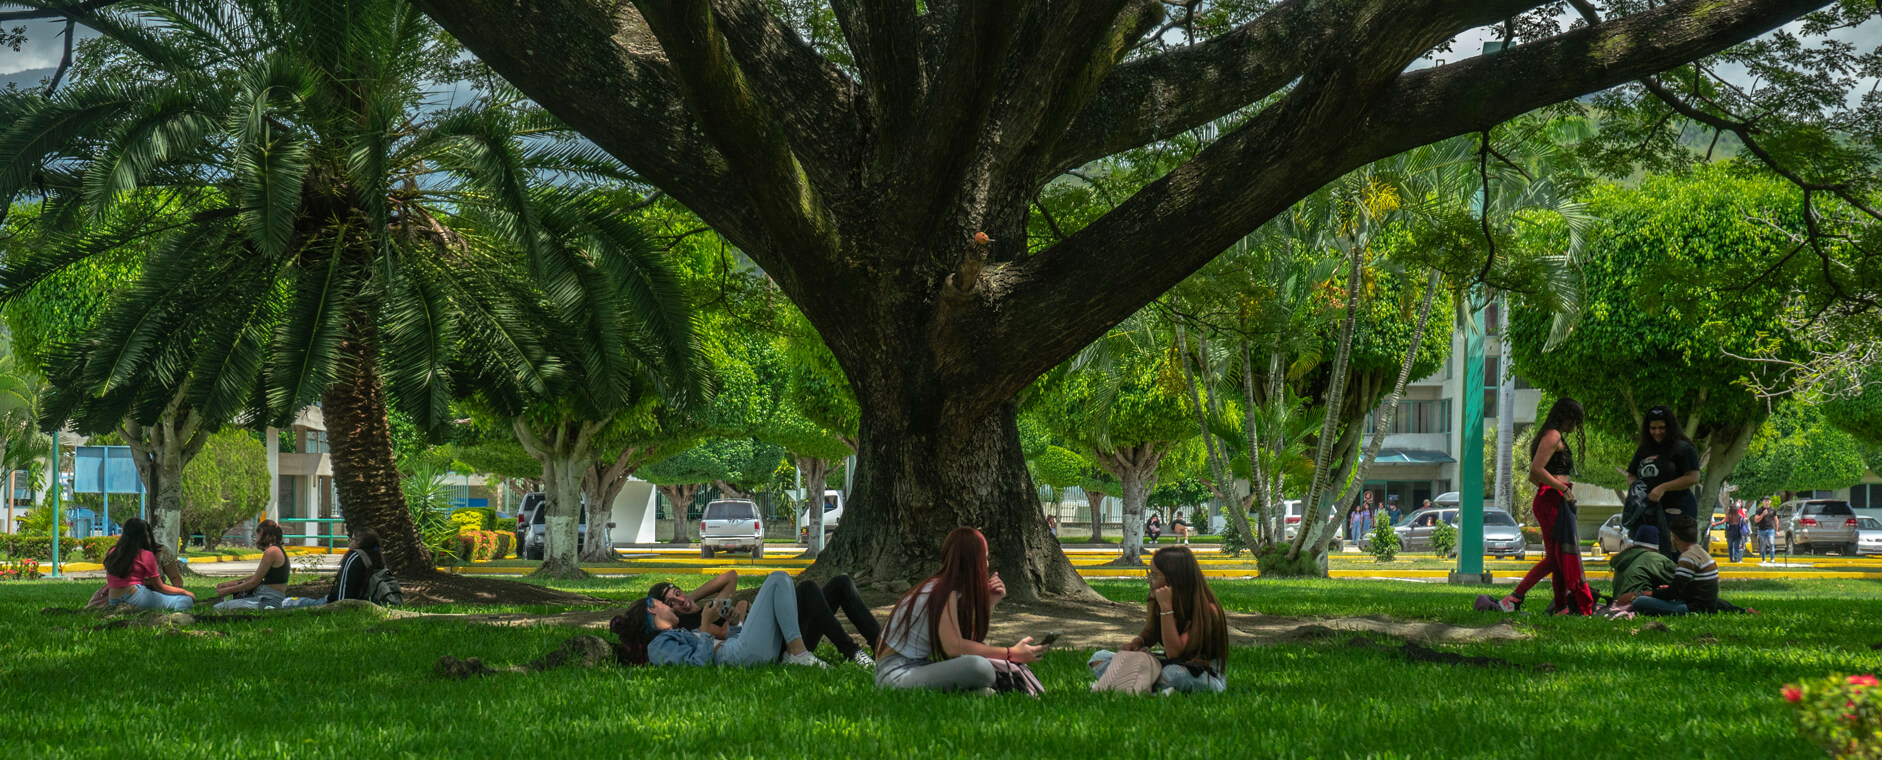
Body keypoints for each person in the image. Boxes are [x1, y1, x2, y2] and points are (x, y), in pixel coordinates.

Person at [876, 527, 1044, 692]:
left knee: (978, 664)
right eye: (984, 558)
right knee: (980, 667)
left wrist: (989, 603)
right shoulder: (941, 591)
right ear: (973, 562)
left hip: (917, 668)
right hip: (896, 675)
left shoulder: (946, 589)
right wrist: (1010, 653)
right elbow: (954, 647)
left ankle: (976, 692)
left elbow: (968, 643)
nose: (987, 564)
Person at [646, 571, 881, 667]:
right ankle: (852, 652)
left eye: (677, 593)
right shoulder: (687, 625)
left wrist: (690, 598)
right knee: (793, 585)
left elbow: (730, 577)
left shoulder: (704, 607)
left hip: (783, 630)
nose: (678, 602)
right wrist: (734, 617)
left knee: (834, 584)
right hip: (774, 645)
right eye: (671, 604)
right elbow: (721, 638)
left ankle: (881, 645)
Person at [614, 570, 828, 668]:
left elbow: (722, 643)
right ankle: (799, 654)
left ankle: (796, 653)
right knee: (778, 579)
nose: (676, 606)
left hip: (740, 650)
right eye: (667, 604)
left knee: (781, 581)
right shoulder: (658, 646)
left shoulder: (675, 634)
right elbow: (698, 667)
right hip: (738, 657)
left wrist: (735, 624)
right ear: (653, 609)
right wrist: (706, 627)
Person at [1500, 397, 1595, 616]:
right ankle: (1516, 596)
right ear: (1564, 416)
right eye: (1573, 419)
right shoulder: (1553, 435)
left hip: (1555, 501)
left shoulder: (1554, 435)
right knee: (1554, 558)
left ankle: (1561, 606)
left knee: (1560, 557)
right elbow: (1537, 470)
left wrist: (1561, 492)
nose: (1574, 425)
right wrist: (1561, 489)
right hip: (1551, 502)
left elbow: (1537, 476)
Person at [1089, 546, 1228, 693]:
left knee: (1172, 674)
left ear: (1174, 579)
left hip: (1200, 673)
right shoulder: (1156, 599)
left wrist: (1166, 608)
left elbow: (1175, 653)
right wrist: (1138, 643)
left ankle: (1127, 683)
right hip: (1168, 664)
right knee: (1099, 658)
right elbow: (1150, 632)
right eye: (1149, 574)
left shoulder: (1206, 610)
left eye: (1154, 575)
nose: (1149, 580)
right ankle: (1141, 684)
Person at [1628, 406, 1703, 563]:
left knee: (1676, 554)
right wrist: (1637, 489)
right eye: (1653, 428)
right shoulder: (1644, 449)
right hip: (1650, 511)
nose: (1657, 432)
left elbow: (1693, 477)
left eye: (1662, 428)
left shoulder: (1682, 447)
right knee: (1654, 554)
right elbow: (1632, 473)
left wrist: (1663, 487)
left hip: (1678, 509)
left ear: (1670, 427)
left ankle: (1679, 584)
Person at [1631, 516, 1719, 616]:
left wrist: (1648, 593)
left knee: (1639, 602)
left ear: (1675, 537)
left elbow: (1673, 593)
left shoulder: (1687, 557)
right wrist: (1669, 588)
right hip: (1706, 605)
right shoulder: (1702, 553)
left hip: (1693, 608)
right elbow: (1693, 588)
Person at [103, 518, 195, 610]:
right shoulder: (145, 554)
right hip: (136, 596)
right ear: (145, 535)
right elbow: (159, 587)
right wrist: (184, 592)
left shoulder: (113, 551)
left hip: (113, 599)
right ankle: (178, 618)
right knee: (185, 600)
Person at [212, 521, 290, 610]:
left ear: (261, 532)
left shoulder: (271, 552)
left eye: (255, 536)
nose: (255, 539)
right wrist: (230, 584)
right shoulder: (276, 550)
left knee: (219, 607)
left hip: (267, 600)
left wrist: (228, 590)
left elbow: (254, 582)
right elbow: (257, 577)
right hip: (267, 598)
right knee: (227, 604)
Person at [1609, 526, 1678, 604]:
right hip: (1637, 604)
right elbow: (1683, 580)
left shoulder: (1625, 556)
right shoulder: (1654, 559)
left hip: (1617, 603)